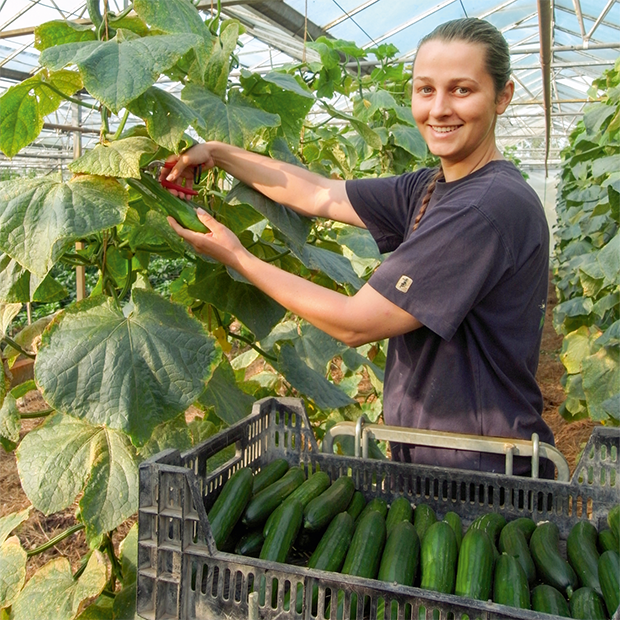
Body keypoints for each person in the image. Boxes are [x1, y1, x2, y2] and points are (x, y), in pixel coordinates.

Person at [163, 17, 555, 477]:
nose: (439, 108)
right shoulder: (433, 186)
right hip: (437, 449)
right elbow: (318, 193)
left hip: (482, 467)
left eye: (462, 90)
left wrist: (237, 257)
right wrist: (218, 153)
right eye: (425, 90)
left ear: (502, 97)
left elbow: (355, 323)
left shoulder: (485, 208)